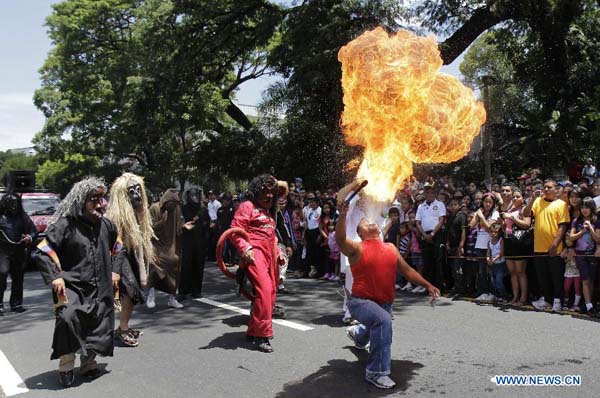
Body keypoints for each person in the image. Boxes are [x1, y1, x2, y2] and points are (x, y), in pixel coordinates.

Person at [335, 180, 439, 389]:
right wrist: (344, 215)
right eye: (364, 223)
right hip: (361, 301)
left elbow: (407, 271)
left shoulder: (390, 247)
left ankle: (357, 335)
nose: (369, 222)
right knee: (383, 322)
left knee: (376, 322)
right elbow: (340, 239)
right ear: (361, 233)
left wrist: (428, 285)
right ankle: (376, 372)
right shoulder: (356, 248)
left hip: (384, 301)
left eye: (370, 221)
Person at [33, 177, 118, 388]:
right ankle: (66, 365)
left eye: (101, 198)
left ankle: (89, 363)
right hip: (73, 287)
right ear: (80, 200)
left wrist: (116, 270)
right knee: (68, 319)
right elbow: (43, 251)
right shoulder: (65, 225)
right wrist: (55, 276)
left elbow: (119, 248)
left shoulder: (106, 225)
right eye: (93, 199)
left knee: (99, 323)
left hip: (101, 286)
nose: (99, 204)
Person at [229, 175, 287, 352]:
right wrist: (245, 248)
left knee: (271, 292)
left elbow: (271, 236)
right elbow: (235, 231)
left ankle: (253, 330)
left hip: (269, 253)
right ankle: (263, 335)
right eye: (265, 192)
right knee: (264, 289)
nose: (269, 196)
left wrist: (278, 252)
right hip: (255, 253)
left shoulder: (269, 212)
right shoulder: (247, 206)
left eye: (272, 193)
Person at [106, 173, 156, 347]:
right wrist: (115, 270)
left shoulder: (138, 213)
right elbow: (116, 245)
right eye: (131, 191)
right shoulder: (115, 218)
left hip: (131, 253)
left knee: (134, 294)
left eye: (137, 190)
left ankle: (123, 327)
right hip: (118, 256)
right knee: (130, 291)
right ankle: (121, 330)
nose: (136, 195)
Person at [524, 179, 570, 312]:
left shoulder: (561, 204)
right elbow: (526, 214)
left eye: (549, 187)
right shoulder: (538, 201)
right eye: (545, 187)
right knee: (543, 277)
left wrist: (555, 244)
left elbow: (563, 226)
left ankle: (558, 301)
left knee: (556, 276)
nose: (546, 189)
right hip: (539, 247)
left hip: (555, 248)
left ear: (556, 189)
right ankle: (547, 300)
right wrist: (532, 199)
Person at [147, 189, 191, 309]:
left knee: (175, 269)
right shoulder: (154, 208)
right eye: (171, 203)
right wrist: (162, 222)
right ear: (165, 201)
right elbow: (149, 228)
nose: (173, 206)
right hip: (158, 245)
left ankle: (172, 298)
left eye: (175, 203)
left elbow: (180, 224)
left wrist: (183, 226)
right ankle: (151, 294)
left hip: (172, 244)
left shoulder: (176, 209)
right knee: (154, 268)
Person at [0, 192, 35, 315]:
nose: (14, 206)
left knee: (18, 277)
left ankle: (16, 304)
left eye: (15, 203)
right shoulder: (1, 217)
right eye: (11, 203)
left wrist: (29, 237)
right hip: (3, 251)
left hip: (19, 251)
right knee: (2, 273)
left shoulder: (23, 217)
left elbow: (33, 231)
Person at [566, 197, 600, 316]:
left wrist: (590, 228)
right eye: (582, 208)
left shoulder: (596, 221)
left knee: (590, 281)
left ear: (592, 208)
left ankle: (587, 304)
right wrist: (582, 231)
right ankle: (589, 306)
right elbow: (571, 237)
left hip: (592, 254)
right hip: (580, 255)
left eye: (587, 207)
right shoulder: (576, 220)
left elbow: (598, 239)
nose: (584, 210)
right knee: (585, 280)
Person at [501, 188, 532, 306]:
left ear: (523, 199)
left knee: (520, 272)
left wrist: (513, 218)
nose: (514, 198)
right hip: (509, 242)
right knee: (512, 272)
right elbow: (505, 228)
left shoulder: (524, 209)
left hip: (520, 243)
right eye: (513, 196)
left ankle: (523, 298)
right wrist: (501, 222)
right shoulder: (510, 209)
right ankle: (515, 296)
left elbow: (526, 224)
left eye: (517, 196)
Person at [179, 188, 210, 300]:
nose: (195, 197)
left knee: (199, 266)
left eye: (196, 195)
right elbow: (179, 223)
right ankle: (183, 291)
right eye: (192, 195)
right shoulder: (183, 208)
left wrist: (204, 227)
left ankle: (196, 290)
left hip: (200, 242)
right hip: (187, 241)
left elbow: (207, 224)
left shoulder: (203, 209)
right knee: (186, 266)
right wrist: (184, 226)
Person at [415, 183, 446, 291]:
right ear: (425, 194)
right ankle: (429, 287)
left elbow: (441, 220)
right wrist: (424, 234)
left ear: (435, 194)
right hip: (424, 235)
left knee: (437, 260)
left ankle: (439, 286)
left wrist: (432, 234)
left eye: (432, 192)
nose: (429, 194)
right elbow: (418, 222)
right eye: (427, 192)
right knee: (427, 262)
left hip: (436, 235)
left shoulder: (440, 204)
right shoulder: (420, 206)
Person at [470, 192, 500, 302]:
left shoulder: (495, 213)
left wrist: (481, 216)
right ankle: (483, 292)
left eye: (490, 202)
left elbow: (489, 228)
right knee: (481, 271)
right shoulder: (479, 212)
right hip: (479, 245)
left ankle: (492, 293)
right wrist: (476, 215)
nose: (487, 204)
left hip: (490, 246)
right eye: (485, 202)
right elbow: (471, 225)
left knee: (490, 271)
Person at [207, 190, 222, 261]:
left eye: (212, 194)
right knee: (209, 240)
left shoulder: (218, 204)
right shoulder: (209, 204)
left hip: (215, 222)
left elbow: (219, 214)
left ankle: (215, 256)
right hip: (209, 222)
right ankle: (210, 256)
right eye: (209, 195)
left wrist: (215, 223)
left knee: (215, 240)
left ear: (215, 195)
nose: (211, 196)